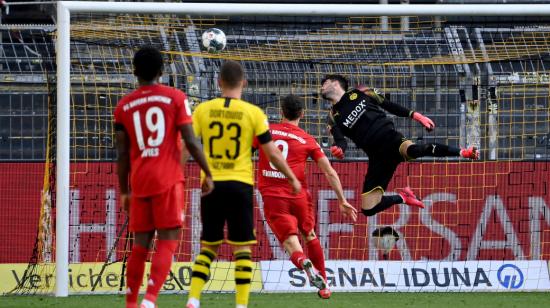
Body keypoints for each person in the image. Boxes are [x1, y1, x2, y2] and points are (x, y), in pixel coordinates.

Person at [186, 60, 301, 308]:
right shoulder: (254, 113)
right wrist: (291, 177)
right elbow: (272, 153)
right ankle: (241, 305)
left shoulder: (203, 110)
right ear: (244, 83)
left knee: (208, 246)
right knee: (243, 250)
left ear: (218, 83)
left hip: (211, 184)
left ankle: (193, 299)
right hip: (240, 185)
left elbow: (189, 145)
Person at [114, 46, 214, 308]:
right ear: (162, 71)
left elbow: (122, 154)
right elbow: (191, 141)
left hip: (140, 180)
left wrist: (124, 190)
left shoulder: (123, 106)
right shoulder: (176, 97)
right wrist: (209, 172)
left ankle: (131, 303)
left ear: (134, 71)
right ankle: (150, 299)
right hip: (168, 179)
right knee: (168, 241)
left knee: (140, 245)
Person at [320, 74, 479, 217]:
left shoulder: (362, 91)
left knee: (416, 150)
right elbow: (340, 141)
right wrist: (339, 149)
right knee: (368, 208)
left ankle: (463, 152)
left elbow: (389, 105)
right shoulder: (332, 117)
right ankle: (404, 197)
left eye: (324, 83)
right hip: (377, 157)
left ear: (335, 83)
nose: (321, 87)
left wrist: (417, 116)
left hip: (391, 139)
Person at [255, 95, 357, 299]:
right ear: (302, 114)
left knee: (291, 242)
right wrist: (342, 200)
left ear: (281, 112)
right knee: (309, 234)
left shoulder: (265, 132)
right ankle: (325, 285)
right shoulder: (308, 140)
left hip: (274, 196)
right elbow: (329, 171)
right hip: (299, 195)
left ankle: (303, 262)